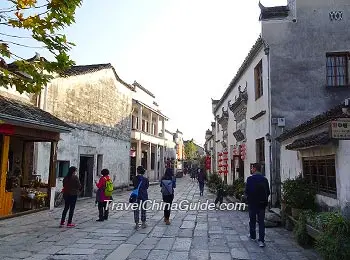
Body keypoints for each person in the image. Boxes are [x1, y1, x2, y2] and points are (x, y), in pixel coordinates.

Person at [245, 163, 270, 248]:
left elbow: (247, 191)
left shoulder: (250, 179)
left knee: (252, 220)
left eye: (252, 168)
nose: (251, 170)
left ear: (255, 169)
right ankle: (261, 241)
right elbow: (268, 192)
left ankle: (253, 236)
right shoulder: (264, 179)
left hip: (252, 203)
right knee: (261, 222)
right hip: (262, 204)